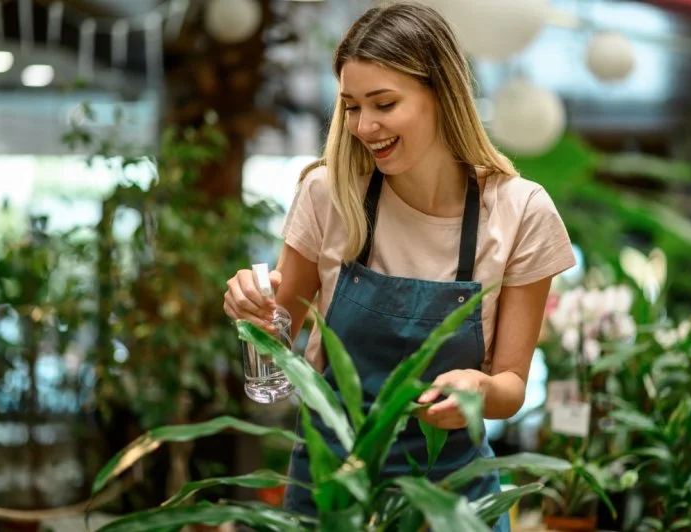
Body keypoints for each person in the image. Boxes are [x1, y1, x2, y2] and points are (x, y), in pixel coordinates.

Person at [223, 2, 576, 530]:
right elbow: (275, 357)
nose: (364, 126)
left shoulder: (520, 211)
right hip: (333, 498)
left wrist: (479, 393)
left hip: (452, 505)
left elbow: (511, 386)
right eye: (350, 106)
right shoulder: (328, 194)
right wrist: (253, 317)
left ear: (441, 93)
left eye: (384, 103)